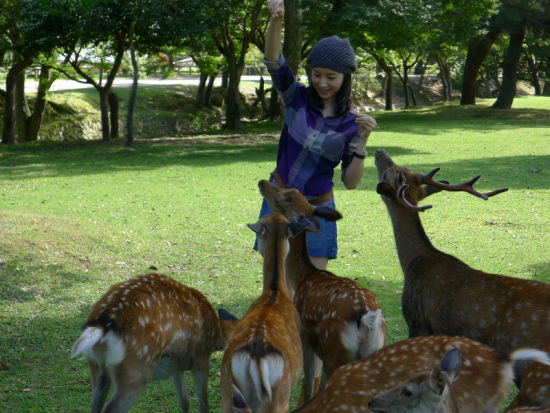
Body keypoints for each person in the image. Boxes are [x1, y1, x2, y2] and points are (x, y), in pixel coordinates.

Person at [256, 0, 377, 271]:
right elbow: (274, 60)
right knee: (276, 282)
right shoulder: (295, 96)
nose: (322, 83)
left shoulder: (351, 124)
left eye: (331, 77)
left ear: (346, 77)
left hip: (317, 209)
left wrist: (363, 141)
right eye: (317, 74)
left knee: (313, 284)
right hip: (279, 201)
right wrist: (276, 20)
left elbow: (351, 181)